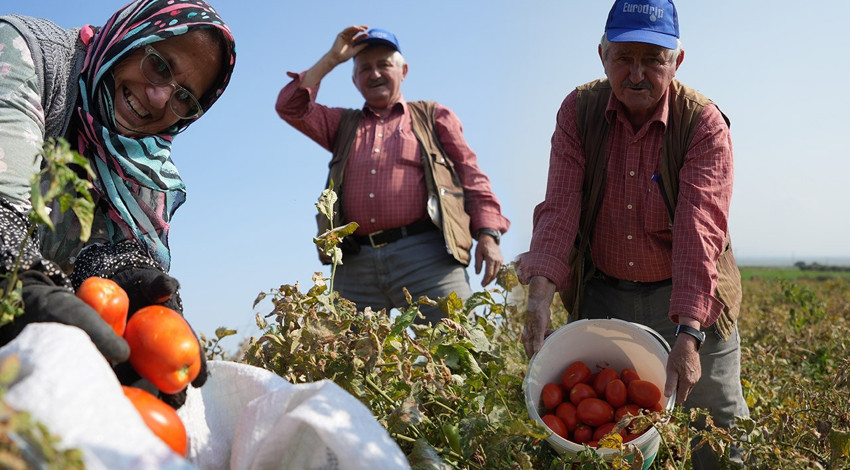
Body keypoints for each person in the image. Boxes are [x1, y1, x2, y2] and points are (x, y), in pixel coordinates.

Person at [518, 0, 749, 466]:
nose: (637, 74)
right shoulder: (578, 111)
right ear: (602, 55)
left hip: (689, 295)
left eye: (653, 59)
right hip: (605, 294)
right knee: (596, 440)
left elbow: (698, 230)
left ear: (676, 61)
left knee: (718, 426)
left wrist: (689, 332)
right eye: (624, 58)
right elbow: (560, 206)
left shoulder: (701, 123)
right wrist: (540, 294)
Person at [0, 0, 236, 408]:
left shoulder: (142, 169)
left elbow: (102, 265)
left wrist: (125, 280)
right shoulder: (28, 55)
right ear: (132, 37)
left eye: (184, 97)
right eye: (160, 65)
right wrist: (12, 271)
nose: (160, 98)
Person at [276, 26, 509, 326]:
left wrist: (488, 235)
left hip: (428, 256)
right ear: (354, 79)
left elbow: (471, 175)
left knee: (461, 349)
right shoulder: (342, 124)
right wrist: (332, 59)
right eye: (364, 68)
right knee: (346, 361)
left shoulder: (432, 116)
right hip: (354, 262)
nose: (374, 74)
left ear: (404, 70)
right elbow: (290, 106)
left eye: (384, 64)